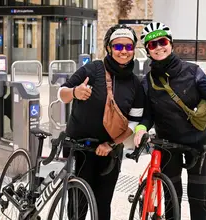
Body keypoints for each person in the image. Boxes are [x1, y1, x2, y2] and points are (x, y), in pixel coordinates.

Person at [134, 22, 206, 220]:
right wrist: (141, 128)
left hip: (198, 143)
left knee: (198, 199)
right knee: (171, 197)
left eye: (162, 41)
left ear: (171, 43)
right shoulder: (147, 81)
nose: (159, 47)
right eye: (152, 45)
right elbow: (148, 116)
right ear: (148, 51)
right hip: (167, 144)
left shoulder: (193, 72)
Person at [58, 24, 144, 220]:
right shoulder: (92, 69)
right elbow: (61, 93)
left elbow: (133, 122)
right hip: (80, 148)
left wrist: (111, 144)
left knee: (103, 205)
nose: (123, 51)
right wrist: (74, 92)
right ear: (109, 48)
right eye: (118, 46)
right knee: (77, 206)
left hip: (109, 152)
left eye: (128, 47)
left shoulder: (135, 84)